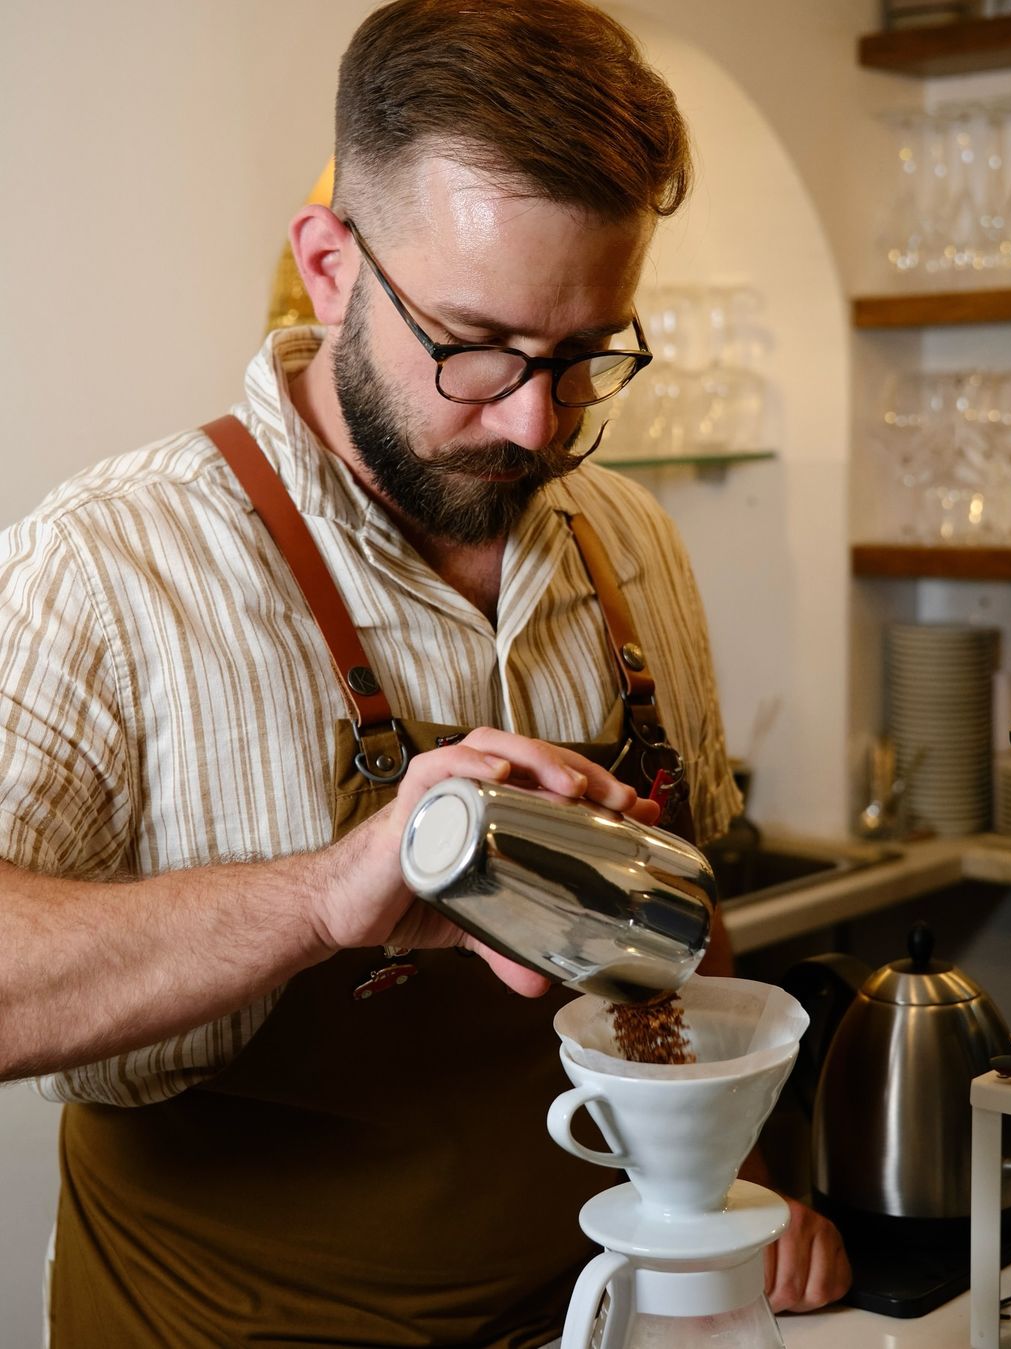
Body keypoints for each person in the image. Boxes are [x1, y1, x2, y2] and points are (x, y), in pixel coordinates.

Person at [0, 1, 850, 1343]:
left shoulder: (630, 545)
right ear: (330, 264)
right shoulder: (112, 566)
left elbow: (680, 916)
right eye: (478, 345)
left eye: (583, 357)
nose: (535, 420)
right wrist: (329, 891)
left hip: (588, 1312)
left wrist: (719, 1177)